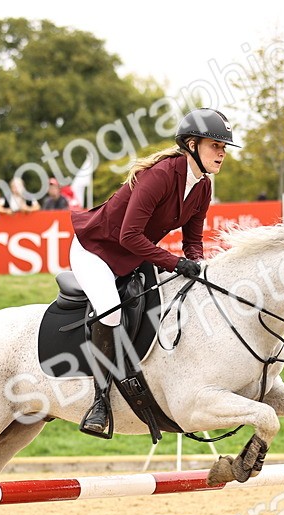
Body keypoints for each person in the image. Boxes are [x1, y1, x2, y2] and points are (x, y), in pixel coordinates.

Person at [68, 107, 239, 437]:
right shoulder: (160, 175)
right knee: (110, 313)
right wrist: (176, 263)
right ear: (191, 144)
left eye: (223, 148)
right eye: (215, 146)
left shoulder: (203, 186)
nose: (222, 153)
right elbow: (128, 235)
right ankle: (100, 401)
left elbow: (192, 239)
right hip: (95, 250)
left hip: (132, 255)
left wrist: (198, 266)